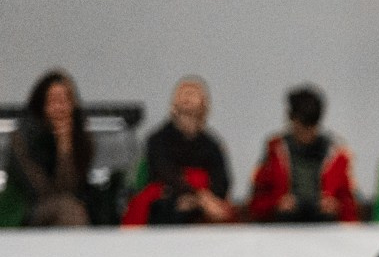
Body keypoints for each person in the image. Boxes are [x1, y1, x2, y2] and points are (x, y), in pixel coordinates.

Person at [7, 69, 114, 227]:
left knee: (74, 209)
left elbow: (71, 187)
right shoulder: (22, 138)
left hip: (70, 205)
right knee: (69, 210)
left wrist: (64, 146)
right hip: (26, 207)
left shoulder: (80, 137)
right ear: (41, 104)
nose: (60, 107)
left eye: (65, 101)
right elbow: (42, 191)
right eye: (53, 101)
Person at [124, 76, 234, 225]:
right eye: (183, 92)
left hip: (203, 202)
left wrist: (200, 200)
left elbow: (221, 180)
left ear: (204, 103)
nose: (188, 96)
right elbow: (165, 173)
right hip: (168, 197)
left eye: (193, 93)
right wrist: (198, 196)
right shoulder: (157, 139)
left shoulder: (212, 144)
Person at [247, 85, 361, 222]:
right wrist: (276, 203)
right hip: (283, 224)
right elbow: (256, 201)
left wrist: (336, 206)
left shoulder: (337, 154)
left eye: (311, 127)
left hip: (326, 224)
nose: (306, 135)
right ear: (291, 119)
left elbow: (350, 203)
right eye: (302, 127)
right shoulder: (275, 150)